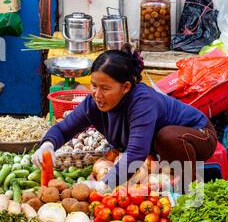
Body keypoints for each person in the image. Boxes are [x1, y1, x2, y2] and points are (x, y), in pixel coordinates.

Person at [33, 44, 217, 192]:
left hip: (198, 135)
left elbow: (136, 152)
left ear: (126, 87)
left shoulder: (142, 101)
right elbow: (64, 128)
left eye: (105, 88)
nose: (97, 94)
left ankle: (188, 190)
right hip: (158, 148)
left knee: (167, 137)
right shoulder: (93, 103)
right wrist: (47, 145)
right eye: (94, 85)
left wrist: (105, 184)